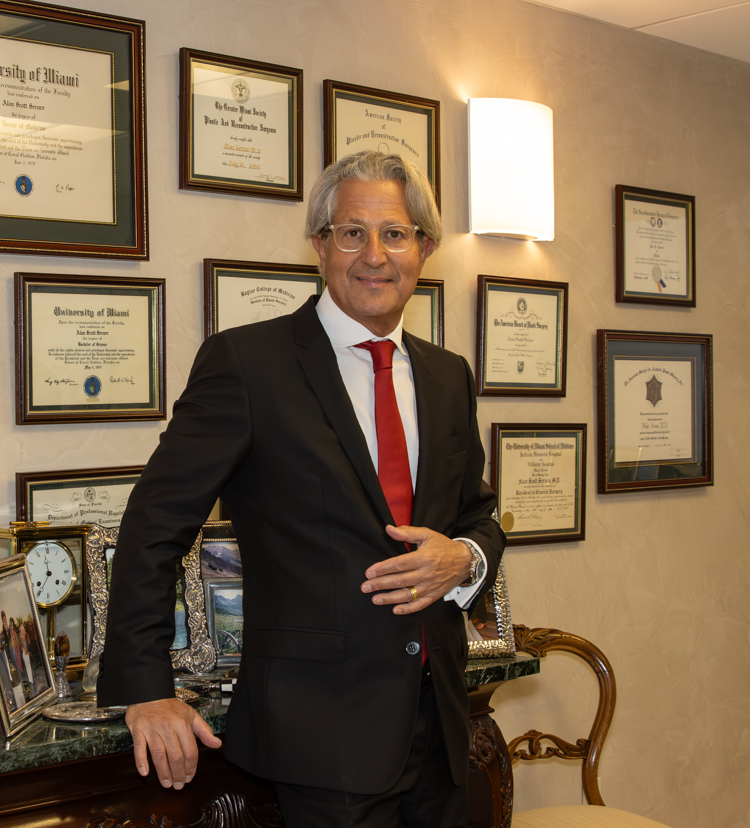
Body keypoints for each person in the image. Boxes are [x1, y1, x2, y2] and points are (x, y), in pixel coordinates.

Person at [98, 150, 506, 828]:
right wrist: (146, 688)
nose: (374, 254)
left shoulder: (447, 375)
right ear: (320, 246)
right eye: (352, 232)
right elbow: (154, 525)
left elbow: (479, 517)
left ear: (425, 249)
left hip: (442, 728)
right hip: (322, 739)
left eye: (396, 234)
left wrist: (464, 558)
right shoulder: (248, 365)